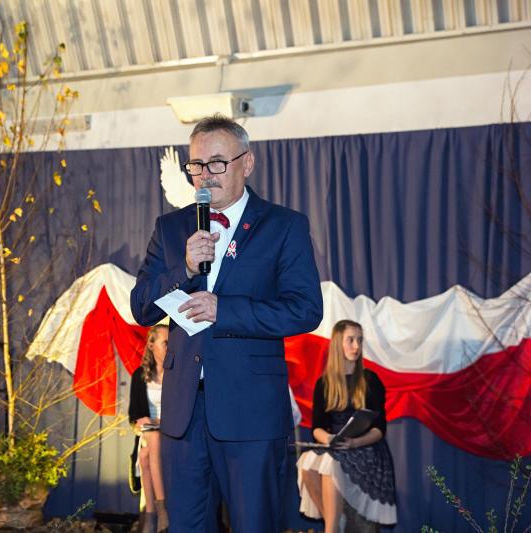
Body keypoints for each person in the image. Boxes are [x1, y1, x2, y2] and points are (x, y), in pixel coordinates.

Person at [130, 114, 323, 533]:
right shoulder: (171, 227)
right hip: (183, 414)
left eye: (217, 163)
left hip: (250, 412)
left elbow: (306, 309)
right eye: (196, 165)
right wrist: (183, 268)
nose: (205, 175)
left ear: (247, 163)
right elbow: (141, 307)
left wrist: (226, 310)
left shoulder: (283, 226)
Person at [296, 319, 397, 532]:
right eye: (350, 340)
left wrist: (355, 442)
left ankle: (331, 529)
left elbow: (379, 429)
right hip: (337, 446)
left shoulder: (370, 380)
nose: (356, 346)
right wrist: (330, 439)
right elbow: (317, 428)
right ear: (337, 344)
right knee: (306, 463)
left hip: (366, 449)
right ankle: (335, 522)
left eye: (360, 340)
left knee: (330, 462)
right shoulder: (324, 383)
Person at [129, 324, 169, 533]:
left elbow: (181, 414)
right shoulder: (139, 376)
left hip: (171, 434)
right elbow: (133, 416)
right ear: (151, 345)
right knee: (148, 447)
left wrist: (156, 422)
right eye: (165, 343)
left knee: (147, 452)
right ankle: (158, 513)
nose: (170, 348)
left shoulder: (176, 376)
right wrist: (142, 423)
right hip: (148, 435)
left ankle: (155, 513)